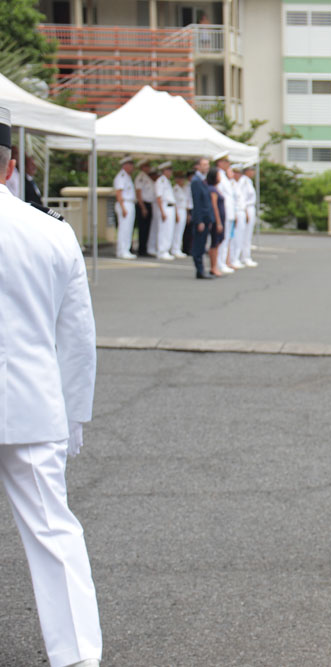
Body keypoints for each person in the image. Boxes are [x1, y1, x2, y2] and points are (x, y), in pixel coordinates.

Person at [0, 106, 102, 667]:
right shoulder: (52, 233)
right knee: (53, 533)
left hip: (32, 404)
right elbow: (77, 338)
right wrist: (74, 416)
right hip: (32, 404)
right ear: (9, 166)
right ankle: (78, 655)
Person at [189, 157, 214, 280]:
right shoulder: (196, 181)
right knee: (198, 246)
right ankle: (200, 270)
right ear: (197, 166)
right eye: (204, 164)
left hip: (205, 218)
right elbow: (197, 203)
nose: (207, 167)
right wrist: (199, 220)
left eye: (207, 164)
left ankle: (201, 270)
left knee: (202, 244)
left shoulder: (202, 180)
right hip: (201, 218)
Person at [213, 152, 237, 273]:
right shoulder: (219, 176)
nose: (228, 164)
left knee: (226, 238)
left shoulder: (224, 176)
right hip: (224, 210)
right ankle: (220, 263)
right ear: (220, 163)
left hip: (229, 211)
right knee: (222, 239)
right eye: (226, 162)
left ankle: (223, 262)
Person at [113, 156, 137, 259]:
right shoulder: (121, 177)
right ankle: (122, 250)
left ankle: (125, 249)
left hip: (129, 203)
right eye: (130, 164)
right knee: (124, 228)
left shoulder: (127, 176)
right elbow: (119, 193)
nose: (132, 167)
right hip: (124, 203)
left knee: (128, 229)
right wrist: (123, 207)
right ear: (125, 165)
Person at [153, 161, 176, 260]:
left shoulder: (167, 181)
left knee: (169, 230)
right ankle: (162, 251)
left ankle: (166, 250)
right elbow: (159, 197)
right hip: (165, 207)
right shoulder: (160, 181)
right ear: (164, 171)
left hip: (170, 207)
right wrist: (162, 211)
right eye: (169, 170)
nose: (170, 172)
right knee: (163, 230)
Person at [206, 165, 226, 277]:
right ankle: (213, 267)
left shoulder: (216, 188)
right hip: (216, 221)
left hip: (221, 220)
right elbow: (214, 207)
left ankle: (215, 266)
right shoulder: (212, 190)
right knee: (215, 242)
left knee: (218, 242)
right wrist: (218, 222)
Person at [134, 159, 155, 256]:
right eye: (147, 166)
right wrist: (143, 207)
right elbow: (139, 193)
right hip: (143, 204)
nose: (148, 168)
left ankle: (145, 248)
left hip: (149, 204)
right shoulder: (140, 177)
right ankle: (141, 249)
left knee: (147, 228)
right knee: (143, 228)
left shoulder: (147, 177)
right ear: (142, 167)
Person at [238, 164, 259, 267]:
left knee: (248, 235)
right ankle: (244, 257)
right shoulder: (243, 181)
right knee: (245, 235)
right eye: (251, 170)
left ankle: (246, 256)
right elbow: (242, 198)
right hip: (246, 208)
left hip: (250, 207)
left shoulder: (248, 181)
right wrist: (245, 210)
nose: (253, 172)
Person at [171, 170, 188, 259]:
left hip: (183, 210)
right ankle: (174, 249)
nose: (182, 180)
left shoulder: (183, 188)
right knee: (177, 231)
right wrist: (176, 214)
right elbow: (175, 203)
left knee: (180, 231)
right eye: (180, 178)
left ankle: (177, 248)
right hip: (178, 211)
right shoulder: (176, 189)